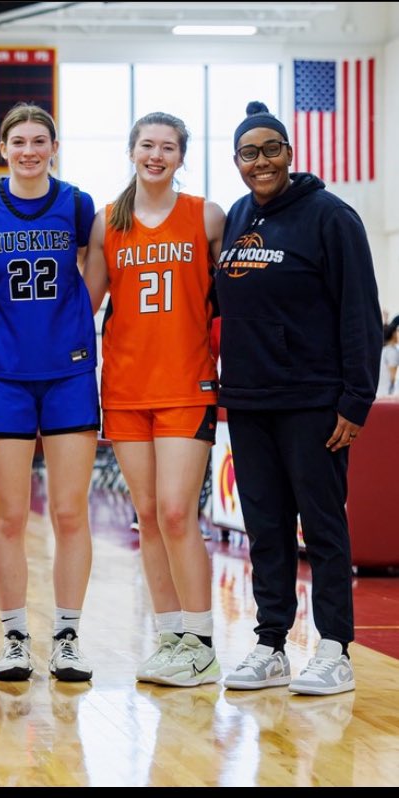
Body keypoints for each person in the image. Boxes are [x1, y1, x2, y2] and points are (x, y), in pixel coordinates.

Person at [215, 102, 381, 696]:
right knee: (265, 527)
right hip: (251, 400)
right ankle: (271, 644)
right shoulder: (237, 217)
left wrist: (355, 399)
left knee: (322, 527)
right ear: (236, 162)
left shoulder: (331, 217)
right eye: (248, 153)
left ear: (289, 153)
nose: (260, 162)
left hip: (313, 401)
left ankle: (334, 646)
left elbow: (361, 311)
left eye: (270, 149)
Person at [82, 111, 227, 687]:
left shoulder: (207, 217)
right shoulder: (106, 223)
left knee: (175, 512)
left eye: (168, 147)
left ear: (181, 156)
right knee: (147, 517)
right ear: (131, 150)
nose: (157, 155)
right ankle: (171, 637)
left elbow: (241, 293)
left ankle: (202, 640)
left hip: (186, 384)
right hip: (123, 387)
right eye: (148, 145)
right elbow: (85, 302)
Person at [0, 103, 98, 683]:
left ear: (54, 146)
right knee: (10, 515)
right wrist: (6, 321)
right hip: (5, 373)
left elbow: (93, 272)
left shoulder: (77, 203)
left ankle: (66, 635)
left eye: (40, 140)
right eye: (19, 140)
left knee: (70, 511)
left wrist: (69, 320)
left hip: (68, 372)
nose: (29, 149)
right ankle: (15, 635)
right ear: (4, 148)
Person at [378, 316, 399, 397]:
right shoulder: (392, 351)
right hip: (387, 395)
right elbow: (393, 378)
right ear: (393, 334)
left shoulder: (384, 349)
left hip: (380, 393)